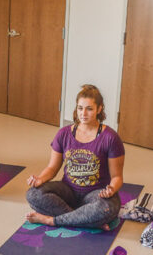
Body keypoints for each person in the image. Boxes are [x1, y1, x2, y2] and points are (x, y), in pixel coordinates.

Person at [25, 84, 125, 230]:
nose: (83, 113)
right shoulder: (63, 133)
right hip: (68, 192)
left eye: (89, 109)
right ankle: (85, 219)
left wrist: (111, 189)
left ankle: (52, 220)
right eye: (80, 108)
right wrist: (40, 179)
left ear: (99, 109)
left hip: (95, 195)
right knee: (33, 194)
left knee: (107, 207)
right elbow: (52, 168)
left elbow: (117, 177)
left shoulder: (111, 138)